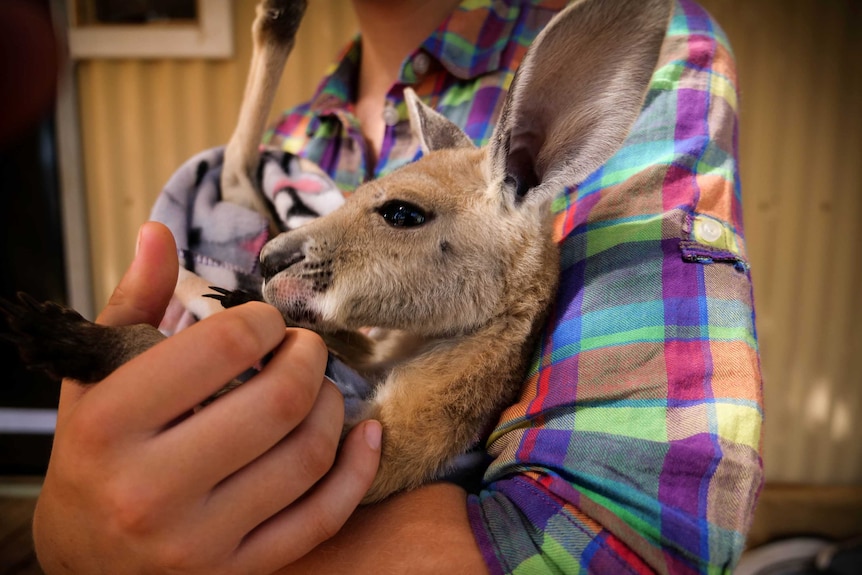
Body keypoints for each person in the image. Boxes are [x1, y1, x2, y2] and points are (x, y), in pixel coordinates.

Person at [32, 0, 764, 573]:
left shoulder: (653, 66)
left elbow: (629, 542)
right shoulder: (294, 141)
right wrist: (70, 529)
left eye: (400, 214)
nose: (284, 245)